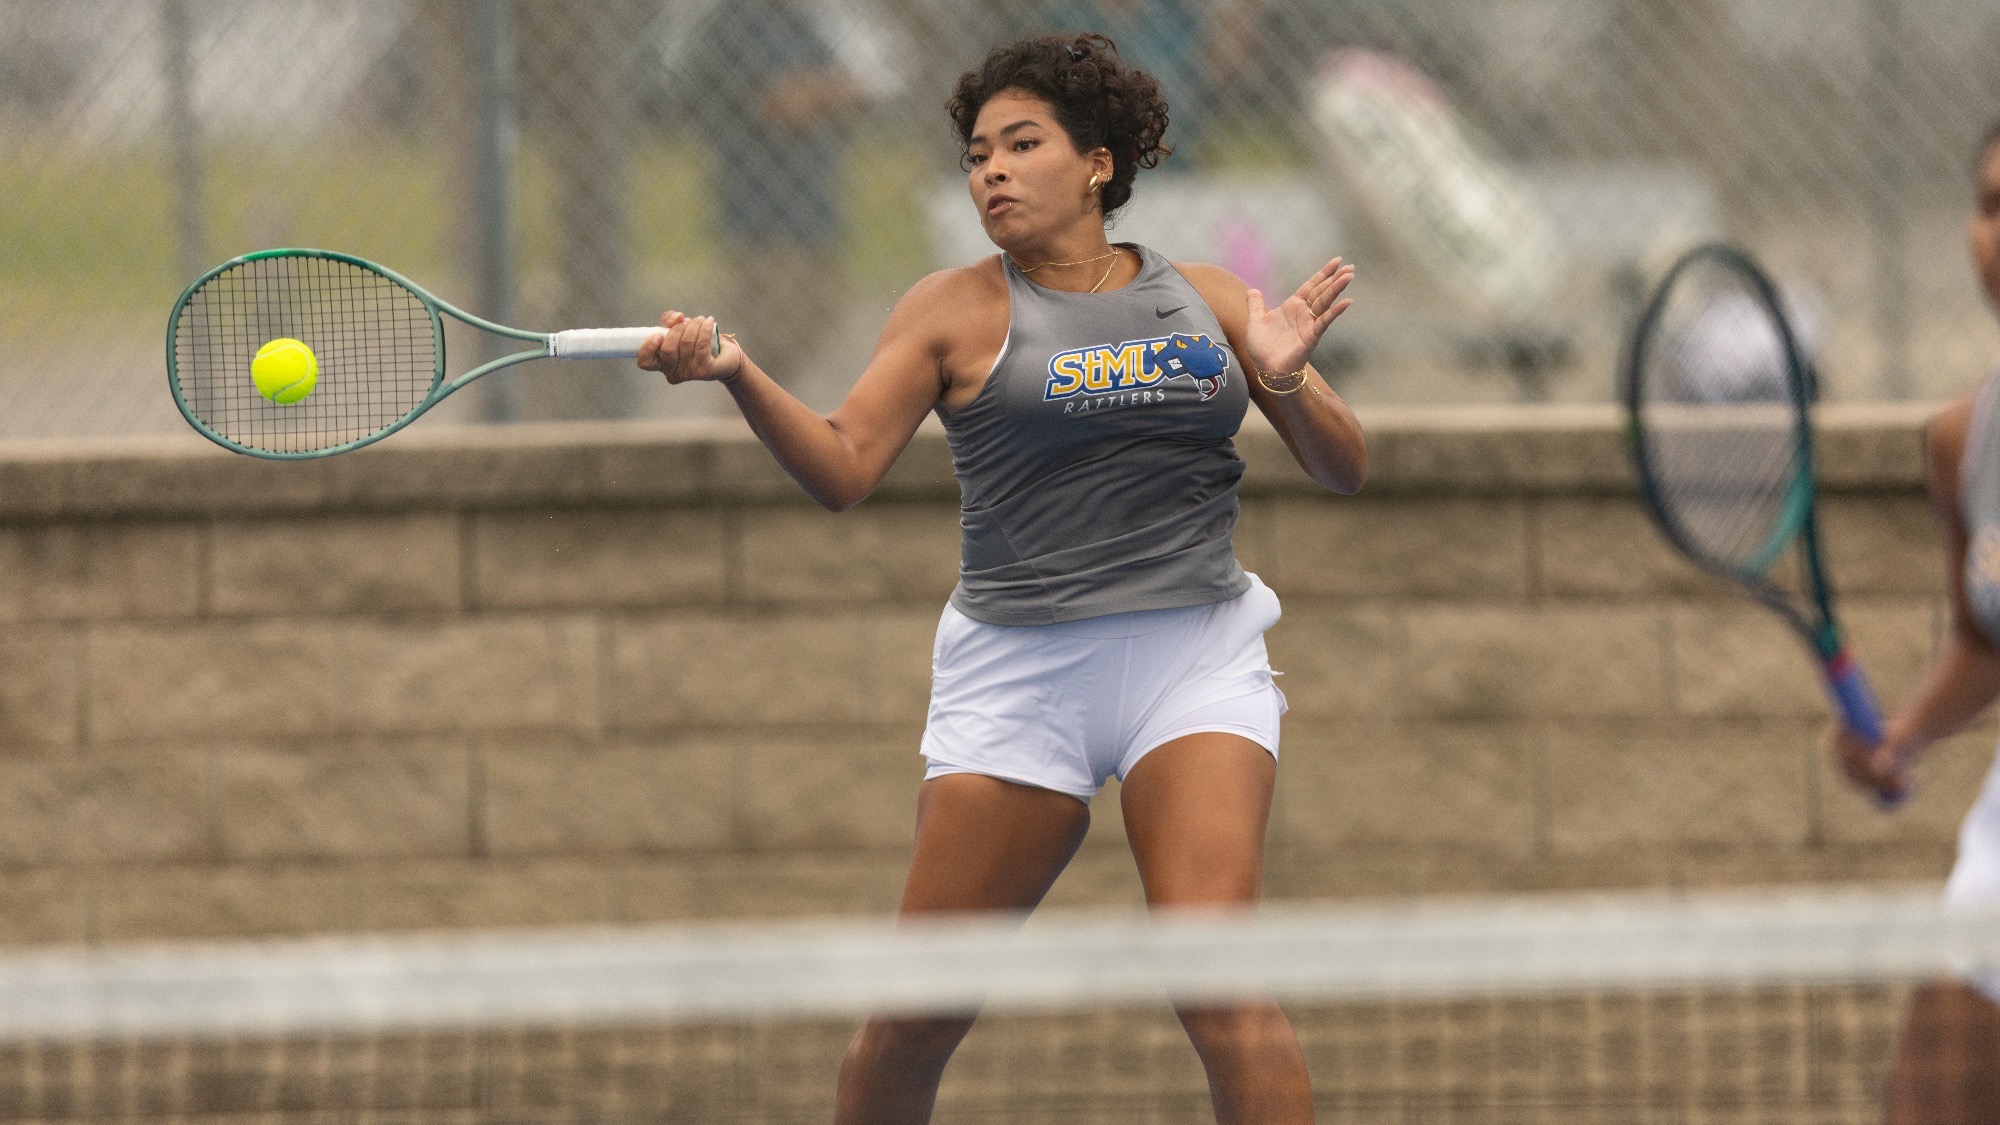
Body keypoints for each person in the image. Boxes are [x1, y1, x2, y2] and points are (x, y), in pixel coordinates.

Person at [640, 33, 1363, 1124]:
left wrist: (1286, 376)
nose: (991, 171)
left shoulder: (1209, 297)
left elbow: (1342, 467)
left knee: (1219, 987)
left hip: (1193, 660)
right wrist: (735, 371)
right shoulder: (950, 310)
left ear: (1097, 164)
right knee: (912, 1022)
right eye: (977, 154)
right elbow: (841, 468)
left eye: (1021, 144)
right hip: (1021, 679)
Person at [1832, 121, 2000, 1124]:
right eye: (1987, 205)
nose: (1998, 233)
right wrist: (1901, 735)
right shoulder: (1961, 442)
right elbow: (1986, 641)